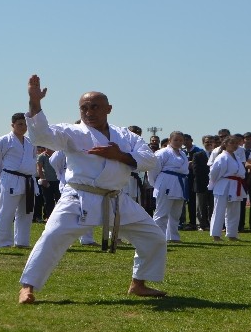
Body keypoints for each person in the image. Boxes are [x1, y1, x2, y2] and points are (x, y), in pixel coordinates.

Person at [19, 74, 167, 304]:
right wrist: (35, 102)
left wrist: (119, 155)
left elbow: (150, 160)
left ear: (109, 108)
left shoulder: (126, 136)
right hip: (79, 196)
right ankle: (28, 286)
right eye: (84, 108)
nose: (89, 112)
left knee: (154, 237)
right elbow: (42, 135)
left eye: (95, 107)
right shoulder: (73, 132)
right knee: (52, 236)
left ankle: (139, 284)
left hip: (116, 198)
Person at [0, 113, 38, 248]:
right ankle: (3, 242)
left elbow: (33, 159)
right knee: (6, 211)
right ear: (13, 125)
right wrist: (3, 172)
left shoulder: (30, 142)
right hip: (10, 178)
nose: (23, 127)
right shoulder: (4, 140)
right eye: (20, 124)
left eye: (25, 124)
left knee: (26, 212)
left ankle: (22, 241)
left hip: (27, 180)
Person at [148, 131, 189, 243]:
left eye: (181, 140)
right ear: (170, 140)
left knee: (176, 213)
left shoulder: (183, 154)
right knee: (162, 212)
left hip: (180, 183)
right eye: (176, 140)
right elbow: (153, 170)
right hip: (166, 181)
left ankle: (173, 236)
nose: (178, 142)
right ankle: (157, 237)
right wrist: (156, 184)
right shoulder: (162, 153)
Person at [207, 136, 247, 241]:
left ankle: (232, 234)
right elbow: (214, 173)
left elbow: (242, 172)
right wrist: (214, 183)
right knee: (219, 209)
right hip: (223, 184)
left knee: (234, 210)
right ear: (225, 144)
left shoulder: (237, 157)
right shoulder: (222, 157)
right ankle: (216, 234)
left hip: (235, 184)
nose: (235, 145)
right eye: (232, 143)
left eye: (236, 143)